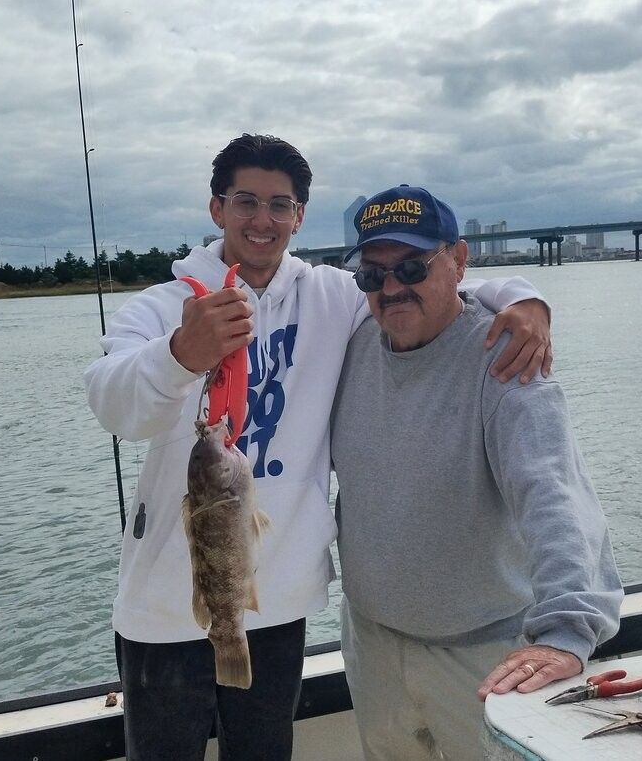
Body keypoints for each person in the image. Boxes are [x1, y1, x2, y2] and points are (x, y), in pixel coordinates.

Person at [83, 135, 555, 761]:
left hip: (276, 602)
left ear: (300, 216)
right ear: (216, 208)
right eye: (245, 201)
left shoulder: (333, 297)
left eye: (281, 205)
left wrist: (524, 299)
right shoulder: (163, 308)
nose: (262, 220)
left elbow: (432, 283)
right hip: (162, 610)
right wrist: (179, 355)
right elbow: (112, 403)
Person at [330, 184, 622, 761]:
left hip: (485, 656)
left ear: (459, 260)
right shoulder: (353, 343)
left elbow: (554, 496)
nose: (392, 288)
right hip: (372, 643)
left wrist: (567, 631)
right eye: (373, 274)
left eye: (412, 266)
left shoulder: (505, 355)